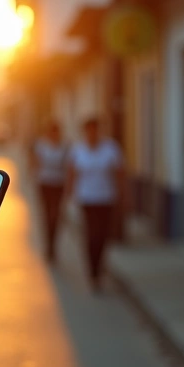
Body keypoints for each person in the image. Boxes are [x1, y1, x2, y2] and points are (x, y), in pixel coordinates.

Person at [67, 118, 123, 291]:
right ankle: (93, 272)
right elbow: (72, 174)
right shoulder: (78, 150)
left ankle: (99, 266)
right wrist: (69, 196)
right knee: (92, 235)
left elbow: (120, 174)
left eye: (95, 130)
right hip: (86, 199)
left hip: (106, 199)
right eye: (89, 130)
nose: (92, 133)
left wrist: (123, 197)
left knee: (103, 236)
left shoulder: (111, 149)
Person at [30, 122, 70, 262]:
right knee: (47, 215)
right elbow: (35, 163)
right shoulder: (42, 146)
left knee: (55, 216)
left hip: (58, 184)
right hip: (45, 184)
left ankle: (54, 244)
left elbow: (68, 166)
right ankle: (49, 246)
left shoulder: (64, 147)